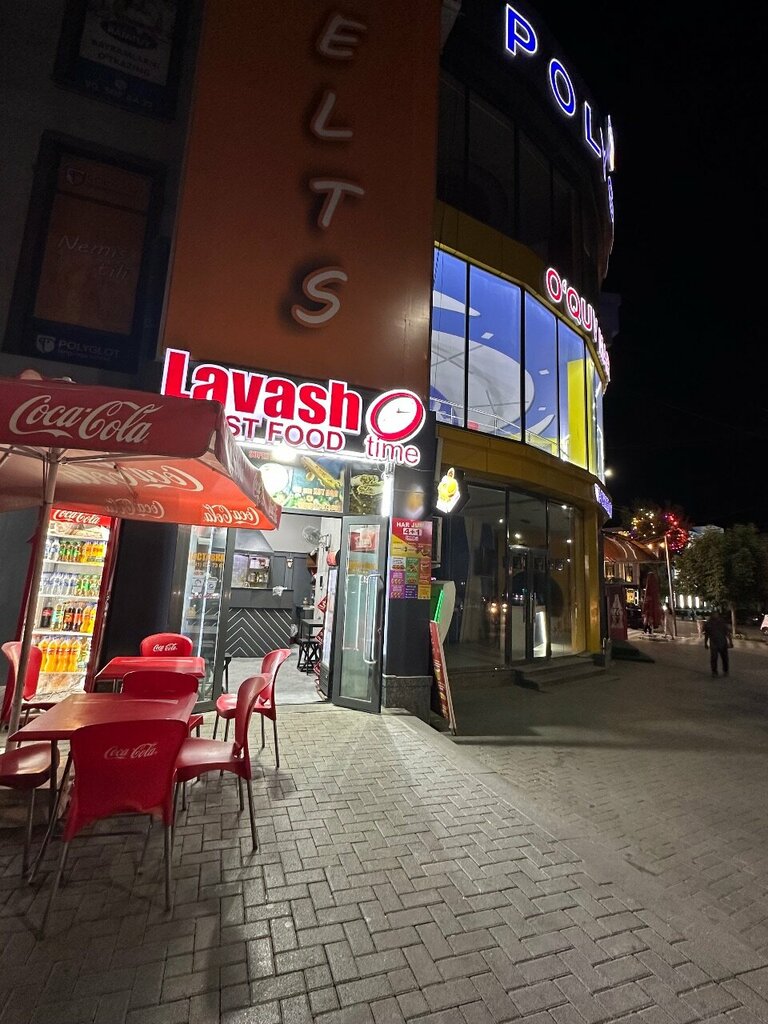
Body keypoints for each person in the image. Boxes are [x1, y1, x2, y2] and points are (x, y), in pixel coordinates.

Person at [703, 609, 733, 677]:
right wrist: (705, 643)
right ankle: (716, 671)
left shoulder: (720, 622)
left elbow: (727, 633)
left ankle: (723, 671)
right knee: (716, 658)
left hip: (721, 642)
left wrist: (730, 642)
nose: (715, 615)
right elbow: (706, 634)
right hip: (716, 643)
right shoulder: (710, 623)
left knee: (723, 658)